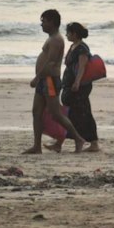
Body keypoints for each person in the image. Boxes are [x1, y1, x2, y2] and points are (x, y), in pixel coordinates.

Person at [24, 9, 85, 154]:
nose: (42, 25)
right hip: (43, 80)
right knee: (36, 111)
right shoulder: (51, 38)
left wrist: (36, 77)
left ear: (52, 22)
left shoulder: (56, 39)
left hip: (49, 80)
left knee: (55, 113)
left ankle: (78, 138)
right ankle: (36, 146)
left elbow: (51, 63)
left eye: (44, 21)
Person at [50, 22, 99, 152]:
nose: (66, 35)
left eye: (68, 33)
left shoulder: (82, 48)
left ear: (75, 34)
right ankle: (60, 143)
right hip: (69, 84)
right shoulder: (73, 46)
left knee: (83, 114)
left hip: (80, 86)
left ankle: (93, 143)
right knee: (70, 113)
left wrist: (77, 82)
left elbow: (82, 67)